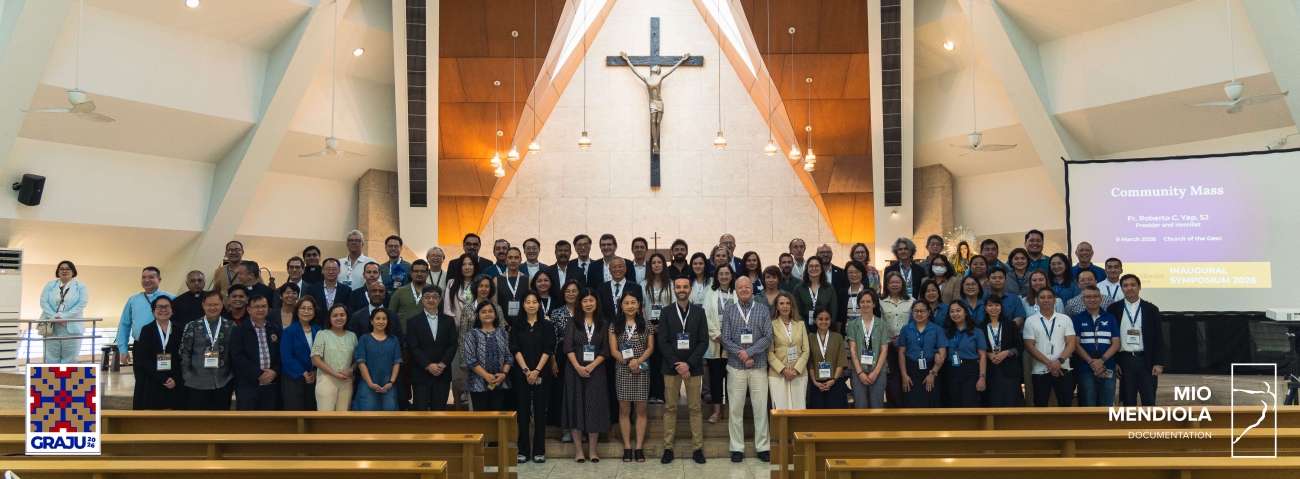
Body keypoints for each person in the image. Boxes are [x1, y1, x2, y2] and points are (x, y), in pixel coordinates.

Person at [659, 274, 709, 465]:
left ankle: (697, 448)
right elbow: (662, 342)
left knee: (695, 408)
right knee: (670, 408)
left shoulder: (699, 312)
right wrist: (678, 364)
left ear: (690, 289)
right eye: (678, 287)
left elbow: (704, 341)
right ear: (674, 289)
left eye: (685, 287)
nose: (681, 290)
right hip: (671, 368)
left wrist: (689, 363)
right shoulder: (666, 312)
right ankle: (668, 448)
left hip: (693, 368)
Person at [721, 276, 772, 463]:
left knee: (760, 408)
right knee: (735, 408)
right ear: (735, 290)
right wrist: (742, 355)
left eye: (747, 287)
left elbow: (768, 337)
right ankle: (737, 447)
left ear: (752, 289)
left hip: (758, 366)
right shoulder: (729, 311)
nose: (744, 289)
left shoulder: (763, 309)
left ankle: (763, 446)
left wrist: (749, 353)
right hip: (735, 367)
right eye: (740, 287)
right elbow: (725, 339)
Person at [562, 288, 611, 463]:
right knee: (576, 408)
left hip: (596, 371)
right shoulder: (572, 323)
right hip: (574, 371)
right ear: (579, 303)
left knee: (594, 409)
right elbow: (567, 347)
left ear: (596, 303)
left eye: (591, 300)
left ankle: (592, 451)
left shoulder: (603, 324)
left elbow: (606, 350)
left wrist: (591, 366)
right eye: (585, 301)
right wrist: (578, 366)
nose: (588, 304)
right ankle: (578, 451)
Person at [609, 292, 655, 463]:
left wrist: (638, 361)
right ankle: (628, 446)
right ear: (621, 306)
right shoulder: (614, 325)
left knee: (641, 410)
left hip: (642, 368)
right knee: (624, 410)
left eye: (633, 302)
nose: (630, 306)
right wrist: (629, 363)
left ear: (638, 305)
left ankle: (639, 447)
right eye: (626, 303)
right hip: (622, 369)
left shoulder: (647, 325)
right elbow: (613, 350)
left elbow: (650, 348)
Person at [1106, 274, 1165, 407]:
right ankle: (1129, 427)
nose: (1129, 288)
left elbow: (1158, 337)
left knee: (1149, 399)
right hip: (1125, 360)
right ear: (1121, 289)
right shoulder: (1114, 309)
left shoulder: (1151, 309)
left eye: (1133, 285)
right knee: (1127, 400)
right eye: (1125, 286)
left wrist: (1158, 363)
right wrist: (1114, 361)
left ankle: (1149, 427)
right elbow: (1110, 338)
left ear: (1139, 287)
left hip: (1146, 360)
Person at [510, 292, 555, 463]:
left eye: (534, 302)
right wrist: (526, 371)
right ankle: (523, 450)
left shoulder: (546, 325)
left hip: (541, 374)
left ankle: (539, 451)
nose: (531, 305)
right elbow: (514, 348)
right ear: (523, 305)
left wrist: (536, 370)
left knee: (539, 411)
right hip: (522, 375)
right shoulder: (517, 325)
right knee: (522, 412)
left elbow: (549, 348)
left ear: (539, 305)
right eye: (527, 302)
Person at [179, 291, 234, 410]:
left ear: (221, 305)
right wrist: (187, 376)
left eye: (216, 304)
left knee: (220, 421)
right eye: (209, 304)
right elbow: (184, 353)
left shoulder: (231, 326)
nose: (213, 308)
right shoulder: (192, 326)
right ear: (203, 305)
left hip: (223, 382)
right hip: (197, 383)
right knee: (199, 422)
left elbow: (235, 353)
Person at [408, 285, 459, 411]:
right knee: (420, 412)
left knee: (439, 411)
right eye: (427, 296)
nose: (431, 299)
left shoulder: (448, 321)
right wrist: (428, 365)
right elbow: (412, 347)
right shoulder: (413, 321)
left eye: (434, 296)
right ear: (422, 299)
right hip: (421, 373)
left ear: (440, 299)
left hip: (442, 373)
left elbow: (453, 344)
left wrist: (442, 364)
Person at [1023, 288, 1077, 407]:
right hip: (1040, 370)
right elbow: (1029, 347)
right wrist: (1050, 363)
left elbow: (1071, 344)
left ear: (1055, 300)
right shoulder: (1030, 321)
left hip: (1063, 368)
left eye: (1049, 297)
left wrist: (1059, 361)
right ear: (1037, 301)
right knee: (1040, 406)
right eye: (1042, 297)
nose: (1046, 300)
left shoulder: (1065, 319)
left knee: (1066, 406)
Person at [229, 295, 281, 410]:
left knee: (269, 422)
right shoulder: (239, 330)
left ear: (268, 308)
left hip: (271, 384)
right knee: (247, 422)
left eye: (264, 306)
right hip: (247, 384)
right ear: (248, 309)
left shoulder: (275, 329)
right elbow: (238, 357)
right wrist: (259, 374)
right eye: (257, 307)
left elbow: (280, 354)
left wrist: (274, 372)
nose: (261, 310)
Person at [459, 274, 503, 408]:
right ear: (475, 288)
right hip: (474, 359)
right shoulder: (468, 309)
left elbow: (501, 331)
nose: (483, 289)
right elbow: (463, 333)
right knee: (477, 396)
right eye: (480, 286)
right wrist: (463, 359)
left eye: (487, 286)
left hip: (495, 359)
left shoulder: (497, 308)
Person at [132, 295, 183, 410]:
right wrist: (161, 378)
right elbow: (143, 357)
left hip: (174, 380)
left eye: (167, 307)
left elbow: (184, 356)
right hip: (151, 379)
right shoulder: (147, 330)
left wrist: (175, 378)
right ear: (153, 310)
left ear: (172, 310)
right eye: (159, 307)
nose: (163, 310)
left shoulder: (180, 329)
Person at [1072, 286, 1120, 407]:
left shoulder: (1110, 318)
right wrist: (1092, 362)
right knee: (1088, 405)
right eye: (1088, 297)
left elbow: (1116, 344)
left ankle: (1107, 426)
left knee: (1107, 405)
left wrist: (1101, 361)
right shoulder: (1077, 319)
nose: (1092, 299)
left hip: (1107, 366)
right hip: (1086, 368)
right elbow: (1076, 344)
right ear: (1083, 299)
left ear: (1101, 298)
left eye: (1095, 296)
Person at [547, 279, 583, 441]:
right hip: (561, 356)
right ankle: (566, 430)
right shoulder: (556, 313)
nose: (571, 294)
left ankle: (581, 429)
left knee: (580, 393)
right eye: (568, 291)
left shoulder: (585, 310)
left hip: (583, 355)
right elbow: (552, 339)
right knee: (563, 392)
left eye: (574, 291)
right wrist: (553, 361)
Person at [702, 263, 737, 423]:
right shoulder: (711, 293)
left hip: (735, 343)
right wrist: (718, 335)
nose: (724, 277)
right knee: (716, 379)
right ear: (716, 276)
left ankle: (731, 411)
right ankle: (716, 412)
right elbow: (705, 316)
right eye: (721, 274)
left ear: (731, 275)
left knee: (733, 379)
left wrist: (731, 338)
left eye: (727, 274)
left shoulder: (737, 293)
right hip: (716, 342)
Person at [117, 267, 174, 365]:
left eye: (151, 277)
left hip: (165, 345)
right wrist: (123, 349)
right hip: (140, 346)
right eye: (144, 277)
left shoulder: (171, 298)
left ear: (159, 279)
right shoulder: (133, 300)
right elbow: (124, 324)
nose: (147, 280)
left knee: (164, 378)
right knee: (141, 378)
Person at [897, 301, 945, 408]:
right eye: (916, 311)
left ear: (928, 312)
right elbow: (901, 353)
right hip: (911, 370)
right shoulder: (905, 329)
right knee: (911, 403)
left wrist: (932, 374)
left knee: (931, 404)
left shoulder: (937, 329)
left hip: (931, 368)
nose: (919, 314)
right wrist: (904, 375)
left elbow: (942, 354)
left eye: (922, 311)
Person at [39, 261, 89, 363]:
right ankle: (52, 378)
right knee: (51, 358)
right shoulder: (50, 284)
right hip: (51, 326)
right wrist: (55, 317)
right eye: (61, 269)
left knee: (70, 358)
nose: (64, 271)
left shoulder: (81, 286)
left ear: (73, 271)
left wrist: (64, 317)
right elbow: (43, 302)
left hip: (72, 326)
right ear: (58, 271)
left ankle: (66, 379)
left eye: (68, 269)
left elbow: (81, 303)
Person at [354, 308, 404, 411]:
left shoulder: (394, 339)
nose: (381, 321)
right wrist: (370, 383)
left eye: (384, 319)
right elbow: (361, 362)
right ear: (371, 321)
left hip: (388, 386)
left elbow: (397, 362)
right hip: (368, 385)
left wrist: (391, 382)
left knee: (388, 420)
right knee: (366, 418)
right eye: (377, 318)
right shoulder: (364, 339)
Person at [846, 290, 888, 409]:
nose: (865, 304)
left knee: (877, 404)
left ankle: (878, 428)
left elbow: (884, 350)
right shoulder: (853, 325)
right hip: (858, 370)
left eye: (868, 301)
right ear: (859, 304)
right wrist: (860, 373)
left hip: (878, 370)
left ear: (874, 304)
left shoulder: (882, 324)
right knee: (860, 404)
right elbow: (852, 349)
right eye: (862, 302)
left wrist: (875, 372)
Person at [312, 303, 358, 411]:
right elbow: (316, 360)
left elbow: (356, 360)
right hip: (326, 379)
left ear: (347, 317)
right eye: (335, 315)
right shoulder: (322, 334)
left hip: (347, 381)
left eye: (342, 315)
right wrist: (335, 374)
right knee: (325, 417)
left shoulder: (352, 336)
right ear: (330, 318)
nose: (339, 318)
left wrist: (351, 371)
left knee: (342, 419)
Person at [767, 291, 809, 410]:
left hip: (799, 373)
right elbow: (769, 352)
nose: (785, 306)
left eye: (788, 303)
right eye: (781, 303)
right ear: (777, 306)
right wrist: (784, 370)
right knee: (780, 409)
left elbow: (806, 350)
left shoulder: (800, 324)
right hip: (778, 374)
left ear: (792, 306)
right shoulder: (771, 325)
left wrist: (796, 370)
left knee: (799, 408)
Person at [640, 253, 673, 403]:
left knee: (663, 360)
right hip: (648, 325)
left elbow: (673, 307)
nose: (657, 265)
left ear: (663, 265)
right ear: (650, 265)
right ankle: (650, 394)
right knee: (650, 360)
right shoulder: (643, 284)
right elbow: (641, 307)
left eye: (659, 262)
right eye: (654, 262)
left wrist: (665, 324)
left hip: (666, 325)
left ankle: (661, 394)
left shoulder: (671, 284)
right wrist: (648, 324)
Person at [942, 302, 987, 408]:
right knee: (953, 404)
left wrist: (982, 377)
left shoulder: (977, 331)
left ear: (966, 312)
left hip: (970, 370)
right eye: (951, 311)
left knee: (969, 404)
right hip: (950, 370)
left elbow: (983, 356)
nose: (955, 314)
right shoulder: (945, 331)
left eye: (958, 310)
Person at [280, 296, 321, 411]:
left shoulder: (319, 331)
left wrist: (315, 371)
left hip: (314, 377)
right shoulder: (289, 331)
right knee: (294, 411)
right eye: (303, 308)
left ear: (314, 312)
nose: (306, 312)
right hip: (293, 378)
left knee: (312, 410)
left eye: (310, 309)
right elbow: (287, 357)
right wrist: (303, 373)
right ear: (297, 311)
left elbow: (323, 355)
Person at [980, 299, 1023, 407]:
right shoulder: (980, 327)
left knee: (1011, 402)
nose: (993, 308)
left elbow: (1020, 346)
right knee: (992, 403)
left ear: (1001, 307)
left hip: (1009, 370)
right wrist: (988, 355)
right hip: (989, 370)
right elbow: (977, 349)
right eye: (990, 305)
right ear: (985, 308)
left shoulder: (1010, 325)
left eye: (996, 305)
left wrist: (1007, 353)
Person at [879, 272, 913, 408]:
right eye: (891, 282)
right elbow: (879, 322)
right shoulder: (880, 301)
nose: (894, 285)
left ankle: (908, 405)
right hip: (888, 344)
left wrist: (902, 337)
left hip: (908, 343)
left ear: (903, 284)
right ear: (886, 285)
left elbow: (915, 321)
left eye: (897, 282)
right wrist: (889, 337)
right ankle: (894, 406)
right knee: (891, 376)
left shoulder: (911, 300)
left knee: (907, 374)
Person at [806, 307, 848, 409]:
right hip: (817, 384)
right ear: (815, 320)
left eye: (827, 319)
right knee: (818, 419)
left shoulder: (837, 337)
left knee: (837, 418)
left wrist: (833, 380)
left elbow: (841, 361)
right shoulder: (809, 338)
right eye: (820, 319)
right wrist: (815, 382)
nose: (824, 322)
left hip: (835, 382)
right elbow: (810, 362)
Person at [303, 259, 351, 325]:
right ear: (322, 270)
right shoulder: (312, 289)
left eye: (334, 269)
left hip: (339, 326)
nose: (331, 272)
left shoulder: (347, 290)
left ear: (339, 271)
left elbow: (347, 311)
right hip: (317, 326)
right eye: (328, 269)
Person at [795, 257, 837, 332]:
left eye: (817, 266)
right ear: (807, 269)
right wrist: (806, 331)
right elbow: (797, 312)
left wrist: (825, 329)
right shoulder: (799, 288)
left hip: (826, 328)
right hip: (804, 329)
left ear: (821, 269)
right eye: (811, 266)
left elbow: (833, 312)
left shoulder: (829, 288)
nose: (814, 268)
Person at [597, 257, 643, 321]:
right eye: (614, 267)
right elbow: (599, 310)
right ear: (609, 270)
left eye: (620, 266)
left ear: (625, 269)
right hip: (607, 327)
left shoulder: (636, 288)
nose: (617, 269)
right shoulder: (601, 288)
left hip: (629, 326)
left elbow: (639, 309)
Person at [496, 247, 531, 326]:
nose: (513, 260)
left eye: (516, 258)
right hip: (502, 326)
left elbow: (530, 305)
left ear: (520, 260)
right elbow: (495, 307)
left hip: (523, 325)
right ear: (506, 260)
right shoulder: (497, 280)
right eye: (510, 257)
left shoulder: (528, 280)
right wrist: (506, 325)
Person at [836, 260, 871, 334]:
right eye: (851, 272)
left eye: (857, 272)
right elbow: (839, 317)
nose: (854, 275)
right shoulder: (842, 293)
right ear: (846, 274)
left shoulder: (870, 292)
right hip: (847, 335)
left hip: (866, 334)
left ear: (862, 273)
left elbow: (876, 314)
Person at [444, 254, 481, 320]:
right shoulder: (451, 283)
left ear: (475, 266)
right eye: (463, 264)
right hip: (455, 324)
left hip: (475, 325)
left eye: (470, 264)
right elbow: (447, 307)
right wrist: (455, 322)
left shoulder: (480, 284)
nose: (467, 267)